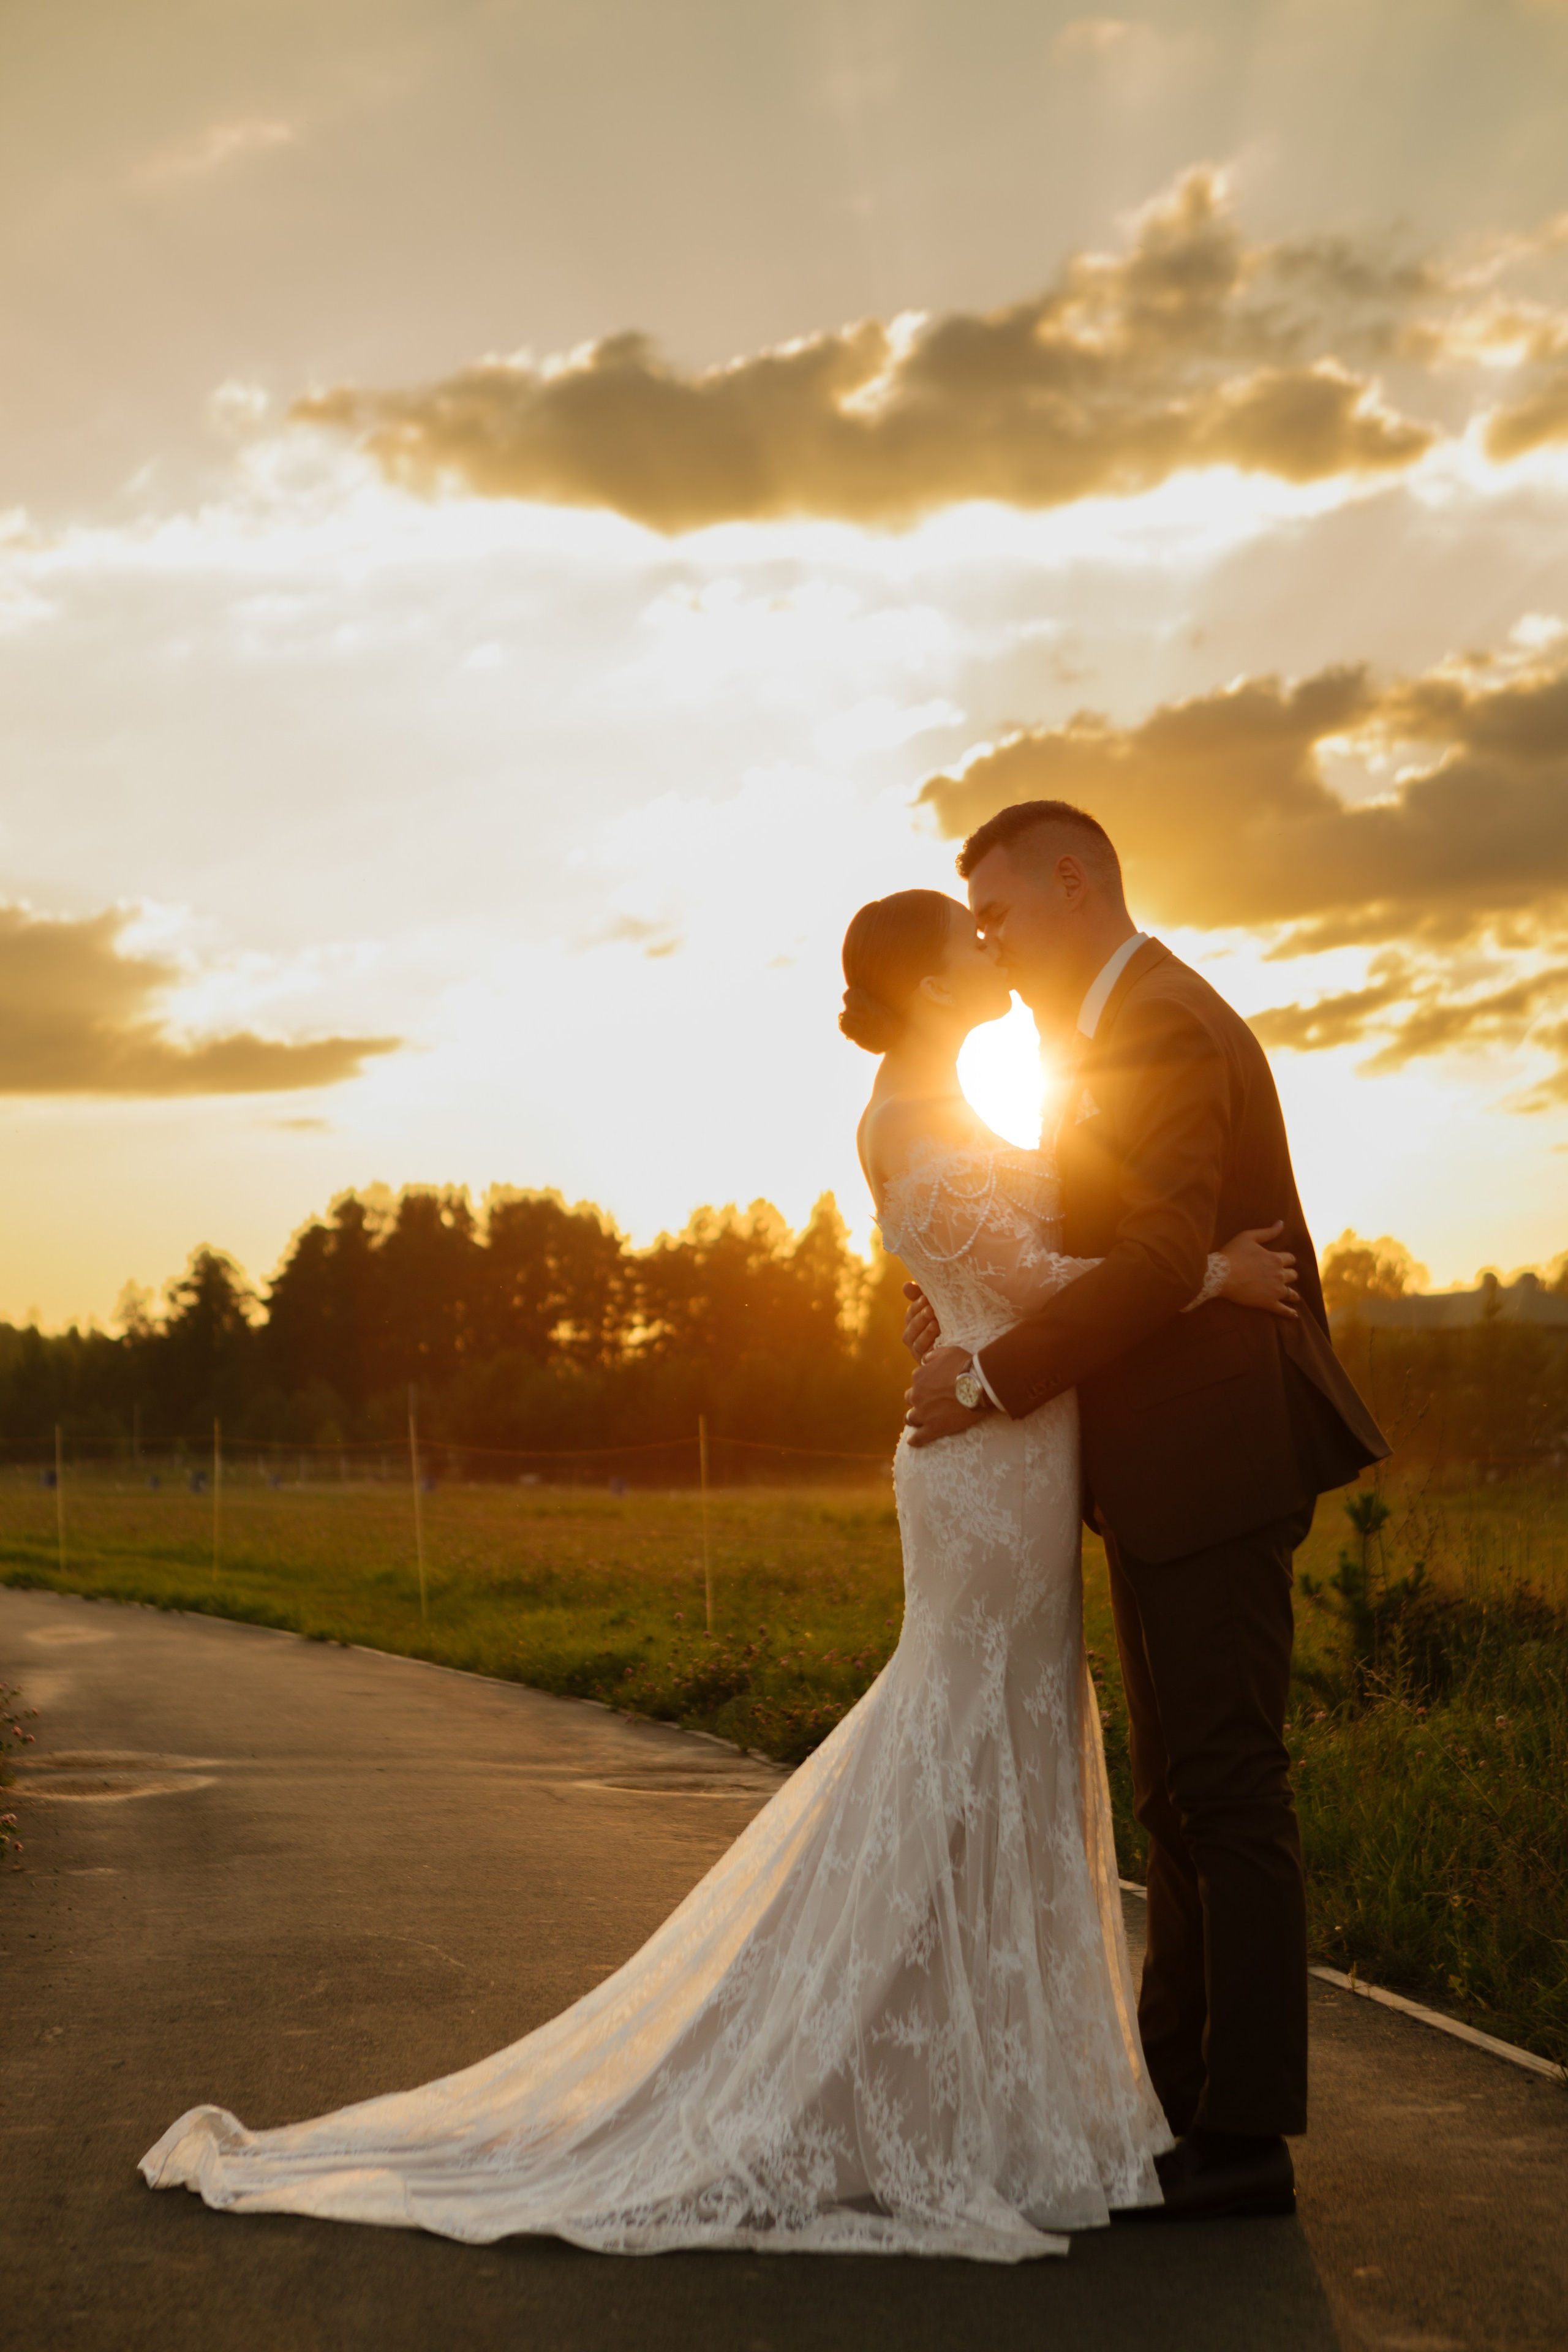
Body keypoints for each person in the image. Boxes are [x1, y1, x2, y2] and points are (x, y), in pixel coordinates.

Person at [139, 883, 1298, 2262]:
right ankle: (864, 2080)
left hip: (1014, 1444)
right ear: (928, 987)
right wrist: (1201, 1278)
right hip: (984, 1460)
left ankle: (991, 2087)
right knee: (959, 1739)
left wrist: (971, 1310)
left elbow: (985, 1266)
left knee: (1003, 1738)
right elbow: (1044, 1275)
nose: (992, 955)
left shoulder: (945, 1101)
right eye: (968, 943)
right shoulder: (915, 1116)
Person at [902, 801, 1388, 2224]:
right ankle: (1174, 2105)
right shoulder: (1099, 1036)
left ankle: (1240, 2139)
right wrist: (961, 1291)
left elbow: (1161, 1248)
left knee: (1226, 1788)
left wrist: (990, 1375)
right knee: (1179, 1790)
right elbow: (1080, 1237)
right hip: (1162, 1462)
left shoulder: (1163, 1023)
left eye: (996, 915)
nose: (988, 943)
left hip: (1216, 1455)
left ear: (1072, 884)